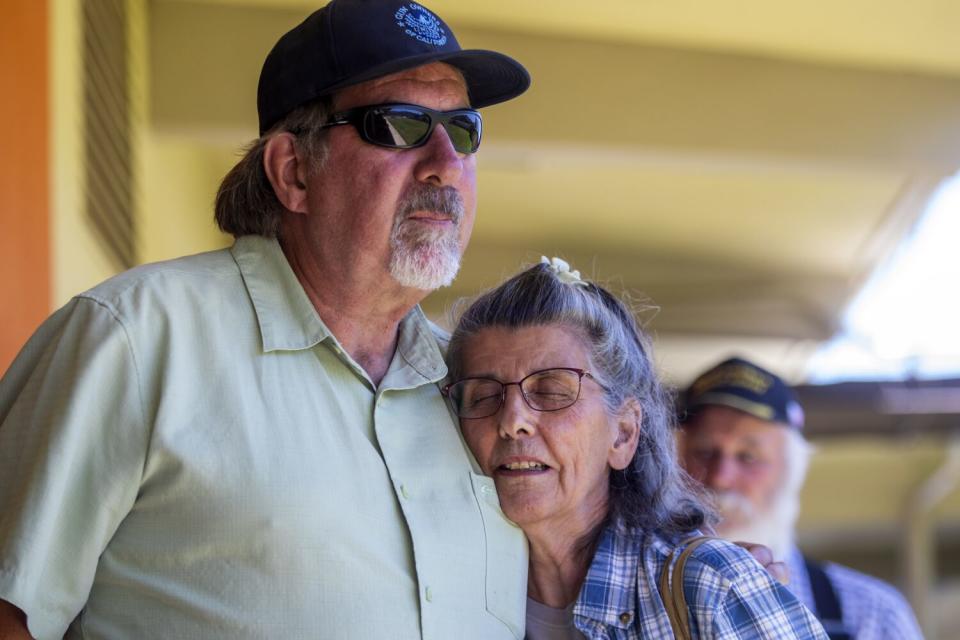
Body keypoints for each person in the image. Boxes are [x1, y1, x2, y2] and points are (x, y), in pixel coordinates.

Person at [0, 1, 533, 638]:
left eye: (465, 130)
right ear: (293, 171)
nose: (446, 161)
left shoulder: (482, 391)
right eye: (400, 125)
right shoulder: (136, 337)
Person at [442, 258, 828, 639]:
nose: (512, 421)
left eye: (552, 391)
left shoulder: (715, 591)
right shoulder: (445, 595)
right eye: (484, 396)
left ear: (623, 434)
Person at [677, 357, 924, 640]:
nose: (720, 477)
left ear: (792, 471)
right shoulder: (633, 601)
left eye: (748, 457)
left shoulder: (872, 616)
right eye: (705, 452)